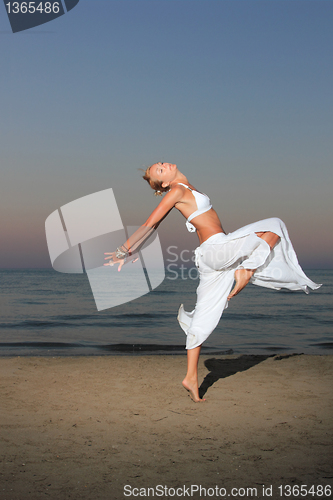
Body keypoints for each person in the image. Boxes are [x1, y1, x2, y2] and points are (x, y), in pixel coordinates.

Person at [104, 162, 321, 402]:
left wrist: (133, 251)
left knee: (203, 316)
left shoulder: (184, 187)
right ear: (164, 183)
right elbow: (150, 223)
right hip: (217, 249)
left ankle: (191, 378)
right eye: (160, 170)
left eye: (160, 164)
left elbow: (153, 227)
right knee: (274, 225)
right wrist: (123, 251)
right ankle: (246, 270)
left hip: (212, 258)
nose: (163, 165)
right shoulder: (176, 190)